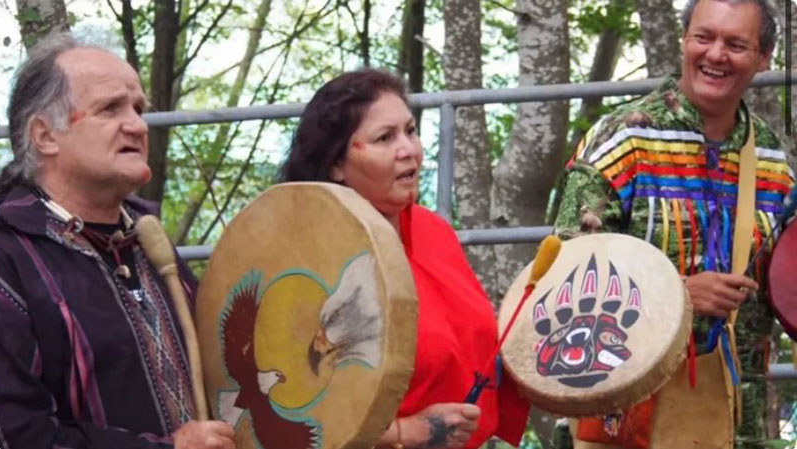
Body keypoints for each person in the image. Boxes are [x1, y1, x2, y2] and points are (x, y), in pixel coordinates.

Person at [554, 0, 792, 447]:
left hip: (737, 424)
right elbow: (564, 274)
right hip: (624, 419)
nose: (716, 54)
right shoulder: (623, 138)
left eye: (736, 44)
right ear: (684, 41)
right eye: (704, 37)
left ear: (763, 59)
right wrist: (676, 295)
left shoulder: (775, 162)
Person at [0, 33, 235, 448]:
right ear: (45, 136)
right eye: (110, 108)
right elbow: (19, 435)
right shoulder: (7, 257)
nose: (138, 125)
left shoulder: (146, 240)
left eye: (139, 109)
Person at [279, 69, 531, 449]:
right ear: (336, 165)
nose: (409, 149)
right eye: (385, 138)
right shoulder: (308, 256)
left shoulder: (434, 231)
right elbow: (290, 410)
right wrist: (403, 432)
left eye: (410, 131)